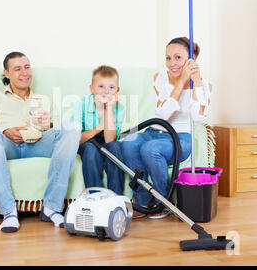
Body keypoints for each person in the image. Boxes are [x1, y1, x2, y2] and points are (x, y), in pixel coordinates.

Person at [0, 52, 81, 232]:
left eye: (27, 67)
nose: (24, 73)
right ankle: (8, 212)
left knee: (72, 126)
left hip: (37, 143)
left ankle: (51, 207)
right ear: (6, 73)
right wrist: (6, 131)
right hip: (7, 145)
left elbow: (57, 133)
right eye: (17, 69)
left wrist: (49, 125)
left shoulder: (44, 99)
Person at [121, 37, 212, 219]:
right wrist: (180, 82)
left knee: (151, 150)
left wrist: (195, 83)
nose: (172, 63)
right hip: (153, 131)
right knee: (128, 141)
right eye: (168, 58)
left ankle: (163, 202)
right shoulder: (159, 78)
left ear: (191, 60)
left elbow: (198, 116)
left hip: (181, 138)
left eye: (178, 57)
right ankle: (144, 200)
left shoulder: (204, 85)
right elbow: (163, 115)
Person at [70, 65, 125, 195]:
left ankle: (115, 196)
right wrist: (101, 126)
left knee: (116, 147)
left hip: (105, 140)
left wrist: (109, 108)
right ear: (92, 89)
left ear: (117, 90)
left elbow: (110, 139)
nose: (106, 91)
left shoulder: (119, 108)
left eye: (111, 87)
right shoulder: (81, 104)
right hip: (86, 141)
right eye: (101, 87)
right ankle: (96, 196)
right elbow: (76, 139)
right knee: (90, 150)